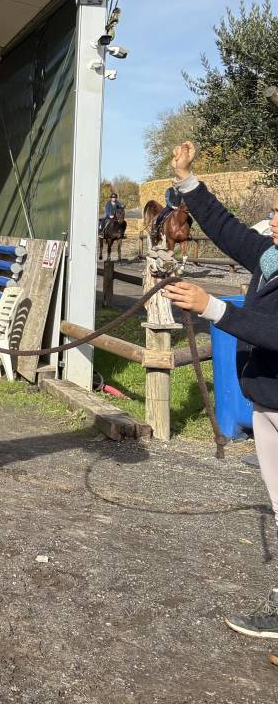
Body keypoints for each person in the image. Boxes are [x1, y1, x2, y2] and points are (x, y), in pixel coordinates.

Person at [160, 141, 278, 639]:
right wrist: (187, 179)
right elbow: (227, 229)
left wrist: (213, 309)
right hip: (270, 401)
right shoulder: (272, 258)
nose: (273, 218)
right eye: (276, 209)